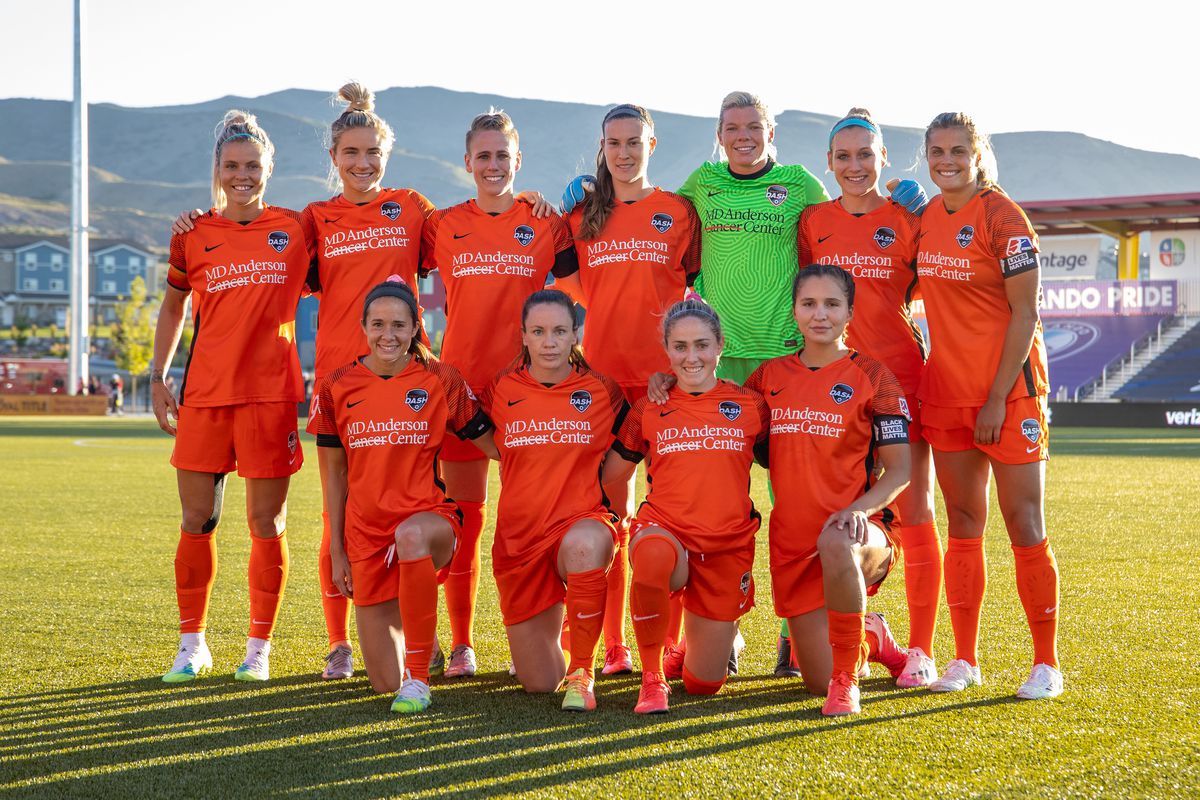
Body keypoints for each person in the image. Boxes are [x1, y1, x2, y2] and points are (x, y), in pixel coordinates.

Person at [170, 84, 551, 680]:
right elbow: (254, 260)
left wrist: (527, 201)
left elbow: (475, 230)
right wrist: (199, 220)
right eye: (350, 153)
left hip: (409, 383)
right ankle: (337, 643)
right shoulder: (311, 222)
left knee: (430, 506)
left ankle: (460, 642)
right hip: (338, 387)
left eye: (372, 151)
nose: (362, 163)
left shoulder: (414, 210)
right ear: (333, 158)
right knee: (338, 515)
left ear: (386, 155)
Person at [152, 110, 311, 684]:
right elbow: (174, 306)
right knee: (197, 519)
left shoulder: (297, 229)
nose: (242, 175)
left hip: (270, 397)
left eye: (252, 166)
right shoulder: (191, 233)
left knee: (266, 522)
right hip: (204, 396)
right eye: (231, 166)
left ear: (270, 168)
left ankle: (258, 648)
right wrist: (156, 374)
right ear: (217, 170)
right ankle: (191, 644)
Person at [419, 110, 577, 678]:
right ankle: (462, 644)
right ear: (467, 162)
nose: (492, 165)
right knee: (466, 518)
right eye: (482, 156)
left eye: (502, 156)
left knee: (537, 518)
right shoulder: (441, 225)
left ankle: (542, 644)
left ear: (518, 161)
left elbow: (586, 287)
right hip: (461, 392)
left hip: (531, 393)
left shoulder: (544, 224)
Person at [916, 112, 1061, 700]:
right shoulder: (926, 217)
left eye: (956, 150)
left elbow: (1025, 314)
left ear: (977, 155)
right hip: (946, 392)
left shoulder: (1005, 218)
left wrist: (999, 397)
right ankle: (965, 659)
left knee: (1024, 524)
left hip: (1010, 394)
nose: (945, 160)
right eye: (935, 151)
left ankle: (1046, 663)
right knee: (964, 525)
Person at [795, 108, 942, 687]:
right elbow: (810, 300)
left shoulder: (909, 219)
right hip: (833, 387)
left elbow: (952, 289)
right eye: (843, 156)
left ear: (883, 158)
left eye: (865, 155)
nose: (855, 166)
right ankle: (836, 631)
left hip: (902, 377)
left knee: (915, 509)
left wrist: (927, 210)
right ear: (829, 163)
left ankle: (924, 648)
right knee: (827, 509)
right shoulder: (811, 222)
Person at [556, 104, 701, 676]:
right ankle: (612, 645)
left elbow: (693, 287)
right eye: (614, 142)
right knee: (608, 513)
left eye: (634, 141)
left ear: (652, 143)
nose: (624, 151)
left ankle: (670, 643)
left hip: (668, 380)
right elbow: (574, 286)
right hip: (605, 383)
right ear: (603, 146)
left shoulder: (677, 212)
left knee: (674, 513)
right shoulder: (583, 215)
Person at [315, 278, 496, 713]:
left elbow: (496, 443)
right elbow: (334, 476)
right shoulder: (336, 386)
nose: (388, 335)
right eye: (378, 324)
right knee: (382, 682)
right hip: (366, 534)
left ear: (416, 327)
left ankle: (418, 677)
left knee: (411, 536)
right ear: (363, 326)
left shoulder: (440, 379)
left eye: (399, 325)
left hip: (429, 521)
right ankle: (423, 649)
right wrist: (339, 550)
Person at [744, 264, 911, 716]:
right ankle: (871, 635)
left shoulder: (875, 378)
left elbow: (900, 472)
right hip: (793, 542)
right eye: (809, 304)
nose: (820, 314)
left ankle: (847, 680)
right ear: (794, 311)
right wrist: (665, 383)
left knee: (837, 537)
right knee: (812, 681)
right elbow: (720, 419)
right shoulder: (766, 379)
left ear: (849, 312)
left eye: (832, 304)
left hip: (860, 533)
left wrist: (859, 509)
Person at [603, 299, 768, 713]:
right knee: (654, 553)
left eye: (701, 345)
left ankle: (687, 654)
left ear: (720, 347)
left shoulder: (750, 405)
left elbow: (790, 456)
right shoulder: (650, 406)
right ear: (667, 349)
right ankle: (652, 676)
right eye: (679, 347)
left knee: (702, 685)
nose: (690, 357)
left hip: (726, 545)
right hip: (667, 532)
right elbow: (612, 472)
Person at [478, 289, 626, 710]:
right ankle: (564, 641)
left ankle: (583, 670)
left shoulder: (601, 390)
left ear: (575, 334)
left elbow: (636, 435)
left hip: (579, 523)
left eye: (560, 331)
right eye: (538, 331)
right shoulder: (501, 388)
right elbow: (487, 438)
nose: (549, 342)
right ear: (523, 335)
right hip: (519, 541)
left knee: (584, 545)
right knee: (540, 682)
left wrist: (595, 475)